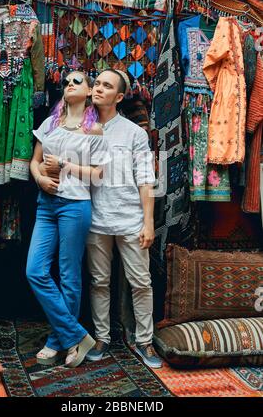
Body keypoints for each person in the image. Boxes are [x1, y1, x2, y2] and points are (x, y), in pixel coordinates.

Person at [26, 71, 110, 368]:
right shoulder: (50, 124)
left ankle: (57, 340)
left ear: (89, 92)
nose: (69, 85)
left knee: (68, 274)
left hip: (75, 205)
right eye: (67, 82)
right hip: (46, 204)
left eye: (77, 81)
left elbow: (99, 175)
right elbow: (34, 162)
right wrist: (39, 180)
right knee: (35, 271)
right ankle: (75, 336)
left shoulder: (95, 130)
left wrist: (64, 165)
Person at [86, 69, 163, 369]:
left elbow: (146, 180)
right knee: (98, 282)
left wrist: (148, 222)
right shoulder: (82, 128)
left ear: (119, 97)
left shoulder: (134, 133)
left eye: (107, 86)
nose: (98, 89)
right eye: (97, 83)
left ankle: (145, 340)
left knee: (141, 282)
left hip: (130, 219)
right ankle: (102, 337)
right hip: (95, 220)